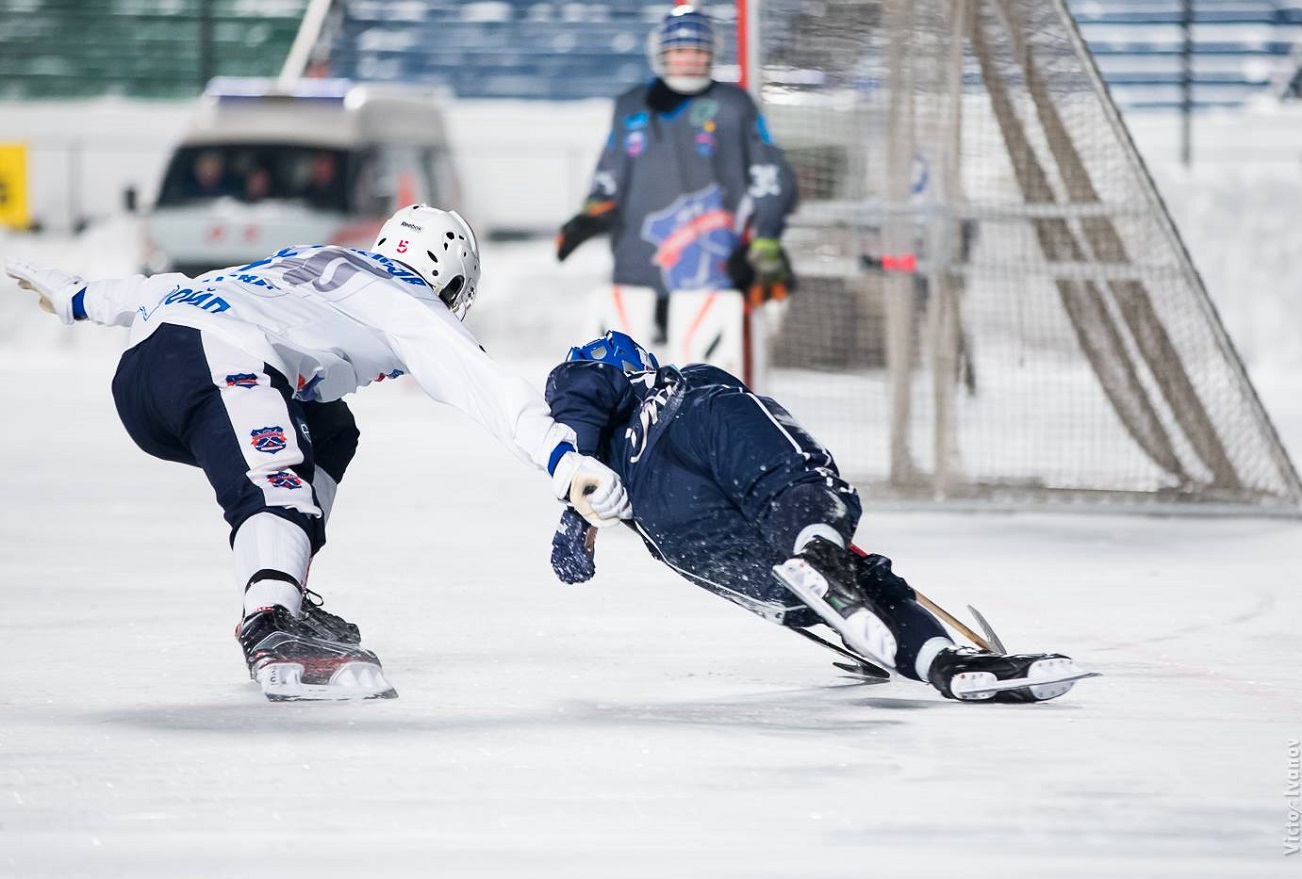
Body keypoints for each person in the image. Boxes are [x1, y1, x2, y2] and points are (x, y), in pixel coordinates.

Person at [4, 205, 631, 703]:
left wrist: (77, 297)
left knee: (330, 429)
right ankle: (273, 623)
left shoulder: (312, 260)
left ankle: (282, 587)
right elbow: (484, 386)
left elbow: (173, 287)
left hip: (147, 371)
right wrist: (563, 463)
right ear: (452, 279)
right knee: (277, 488)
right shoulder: (405, 300)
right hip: (220, 362)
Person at [543, 330, 1092, 703]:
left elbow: (575, 520)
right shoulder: (667, 385)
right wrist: (577, 492)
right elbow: (579, 388)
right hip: (699, 432)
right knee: (803, 487)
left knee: (856, 587)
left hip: (689, 541)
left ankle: (942, 665)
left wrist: (576, 515)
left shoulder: (601, 473)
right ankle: (820, 551)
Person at [555, 4, 799, 344]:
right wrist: (590, 215)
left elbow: (769, 175)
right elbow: (609, 173)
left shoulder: (735, 105)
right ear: (661, 52)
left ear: (712, 53)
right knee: (632, 376)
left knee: (703, 374)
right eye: (680, 50)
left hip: (716, 268)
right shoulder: (631, 106)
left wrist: (766, 238)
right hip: (637, 268)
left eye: (698, 50)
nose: (689, 59)